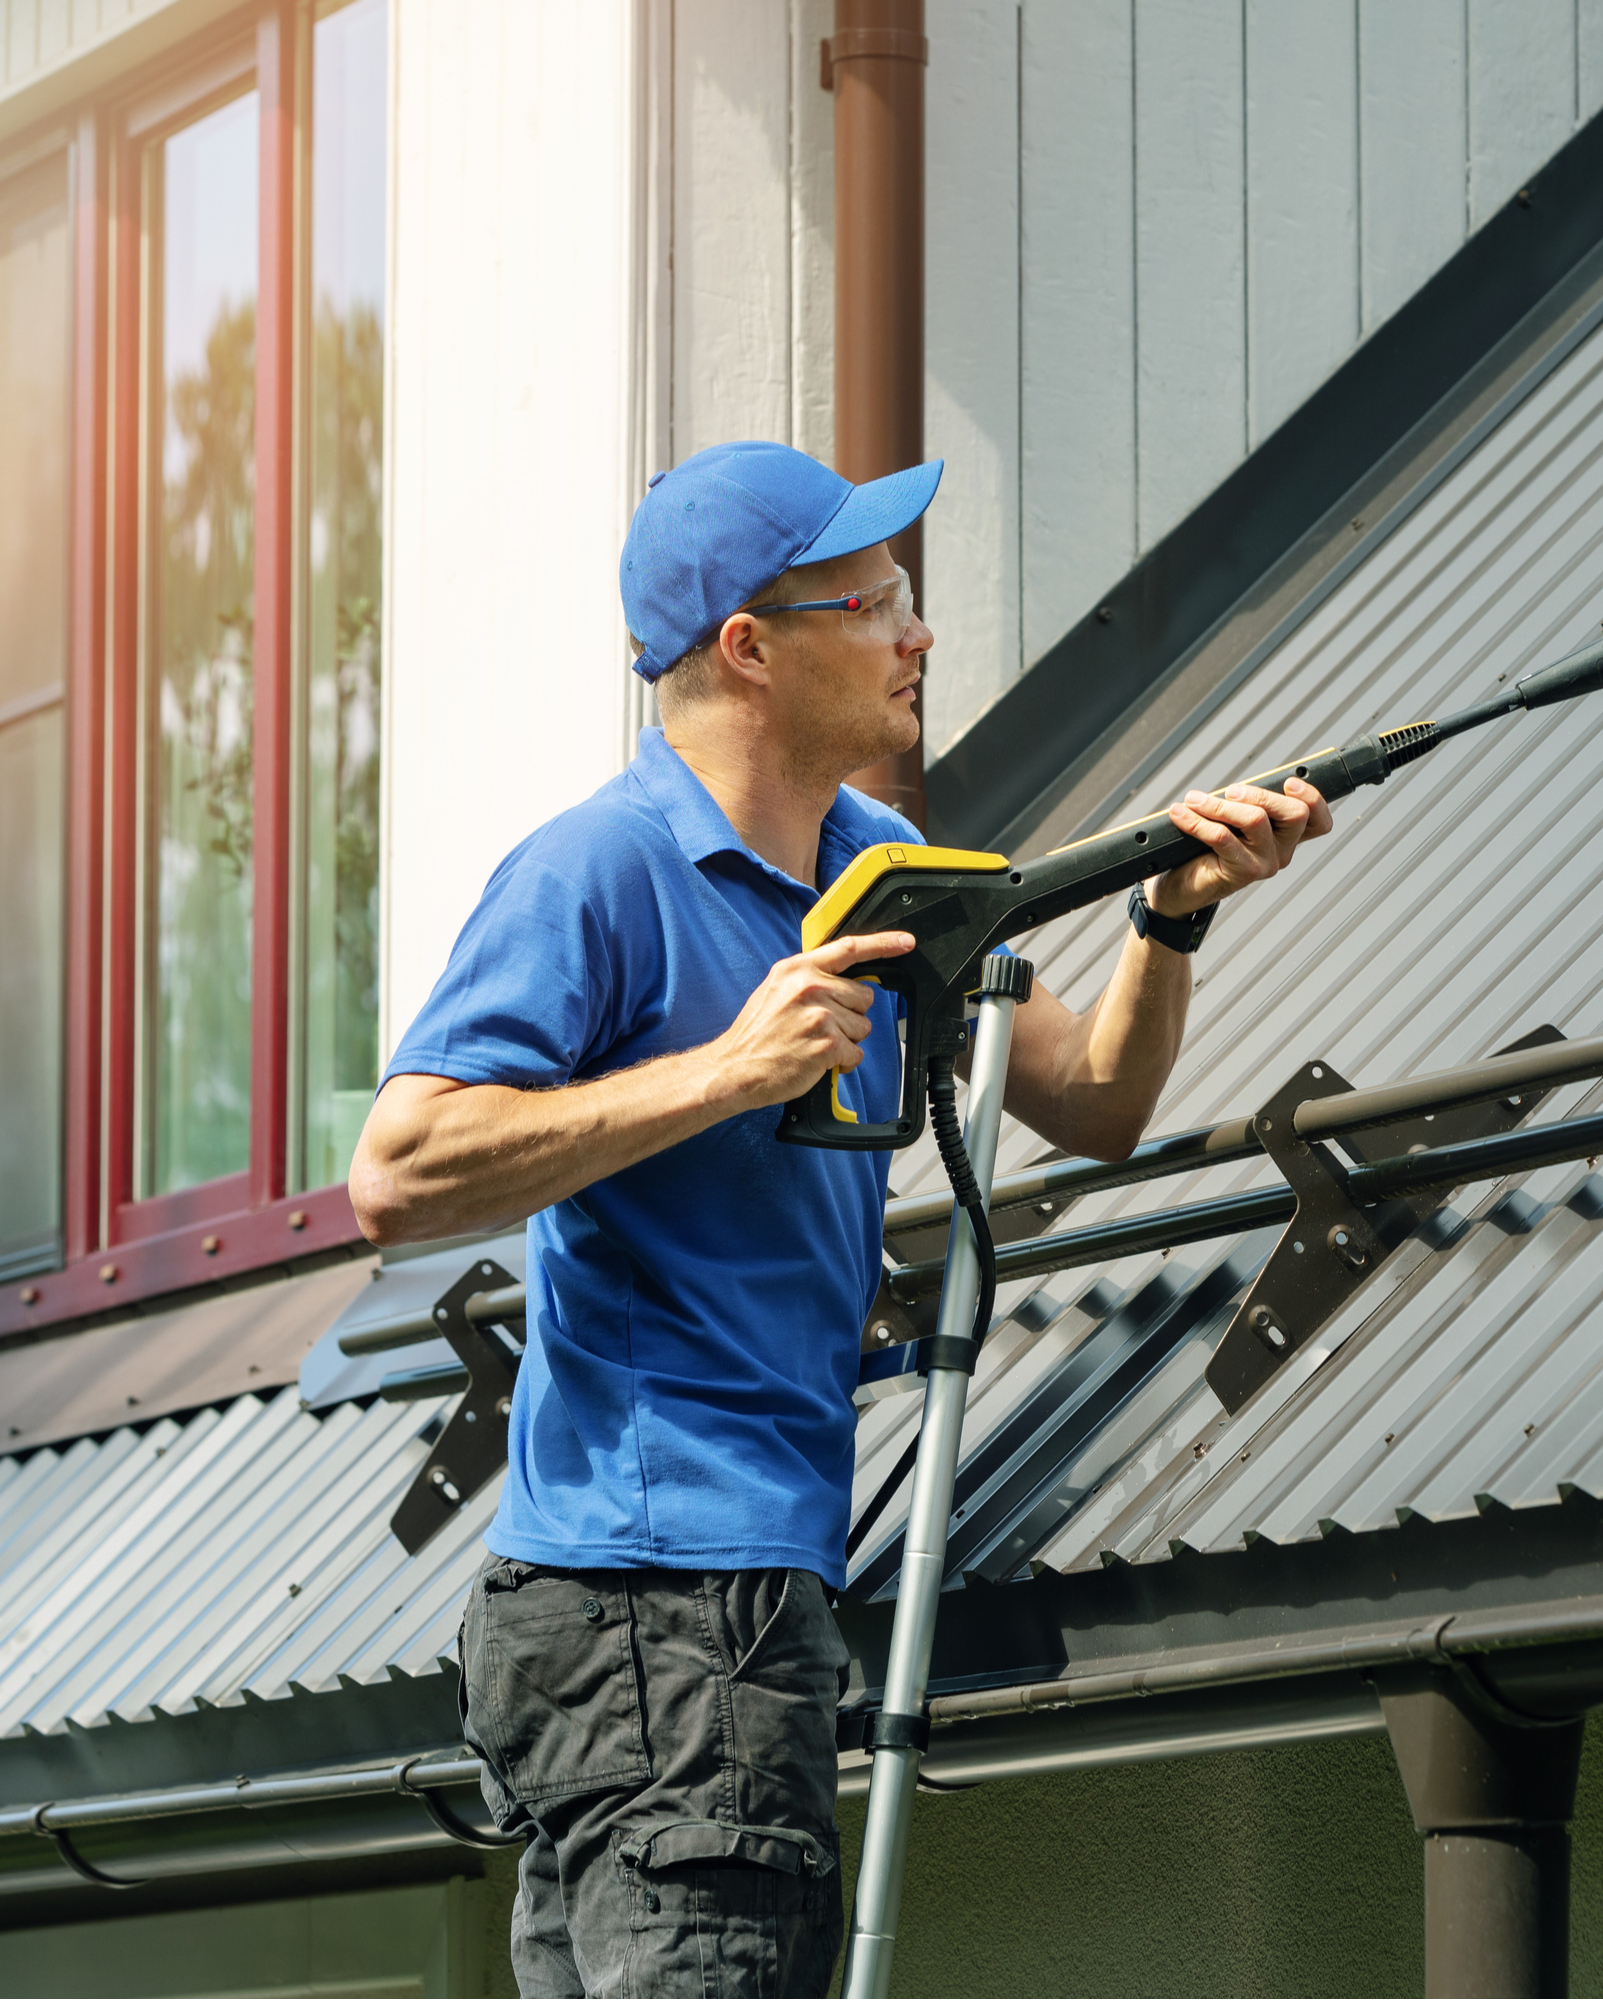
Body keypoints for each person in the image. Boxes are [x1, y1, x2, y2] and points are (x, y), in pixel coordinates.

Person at [349, 441, 1328, 1996]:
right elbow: (401, 1172)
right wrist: (727, 1071)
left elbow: (1093, 1100)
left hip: (692, 1607)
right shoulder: (599, 871)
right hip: (660, 1610)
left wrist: (1170, 915)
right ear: (753, 646)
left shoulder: (883, 869)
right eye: (878, 603)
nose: (917, 636)